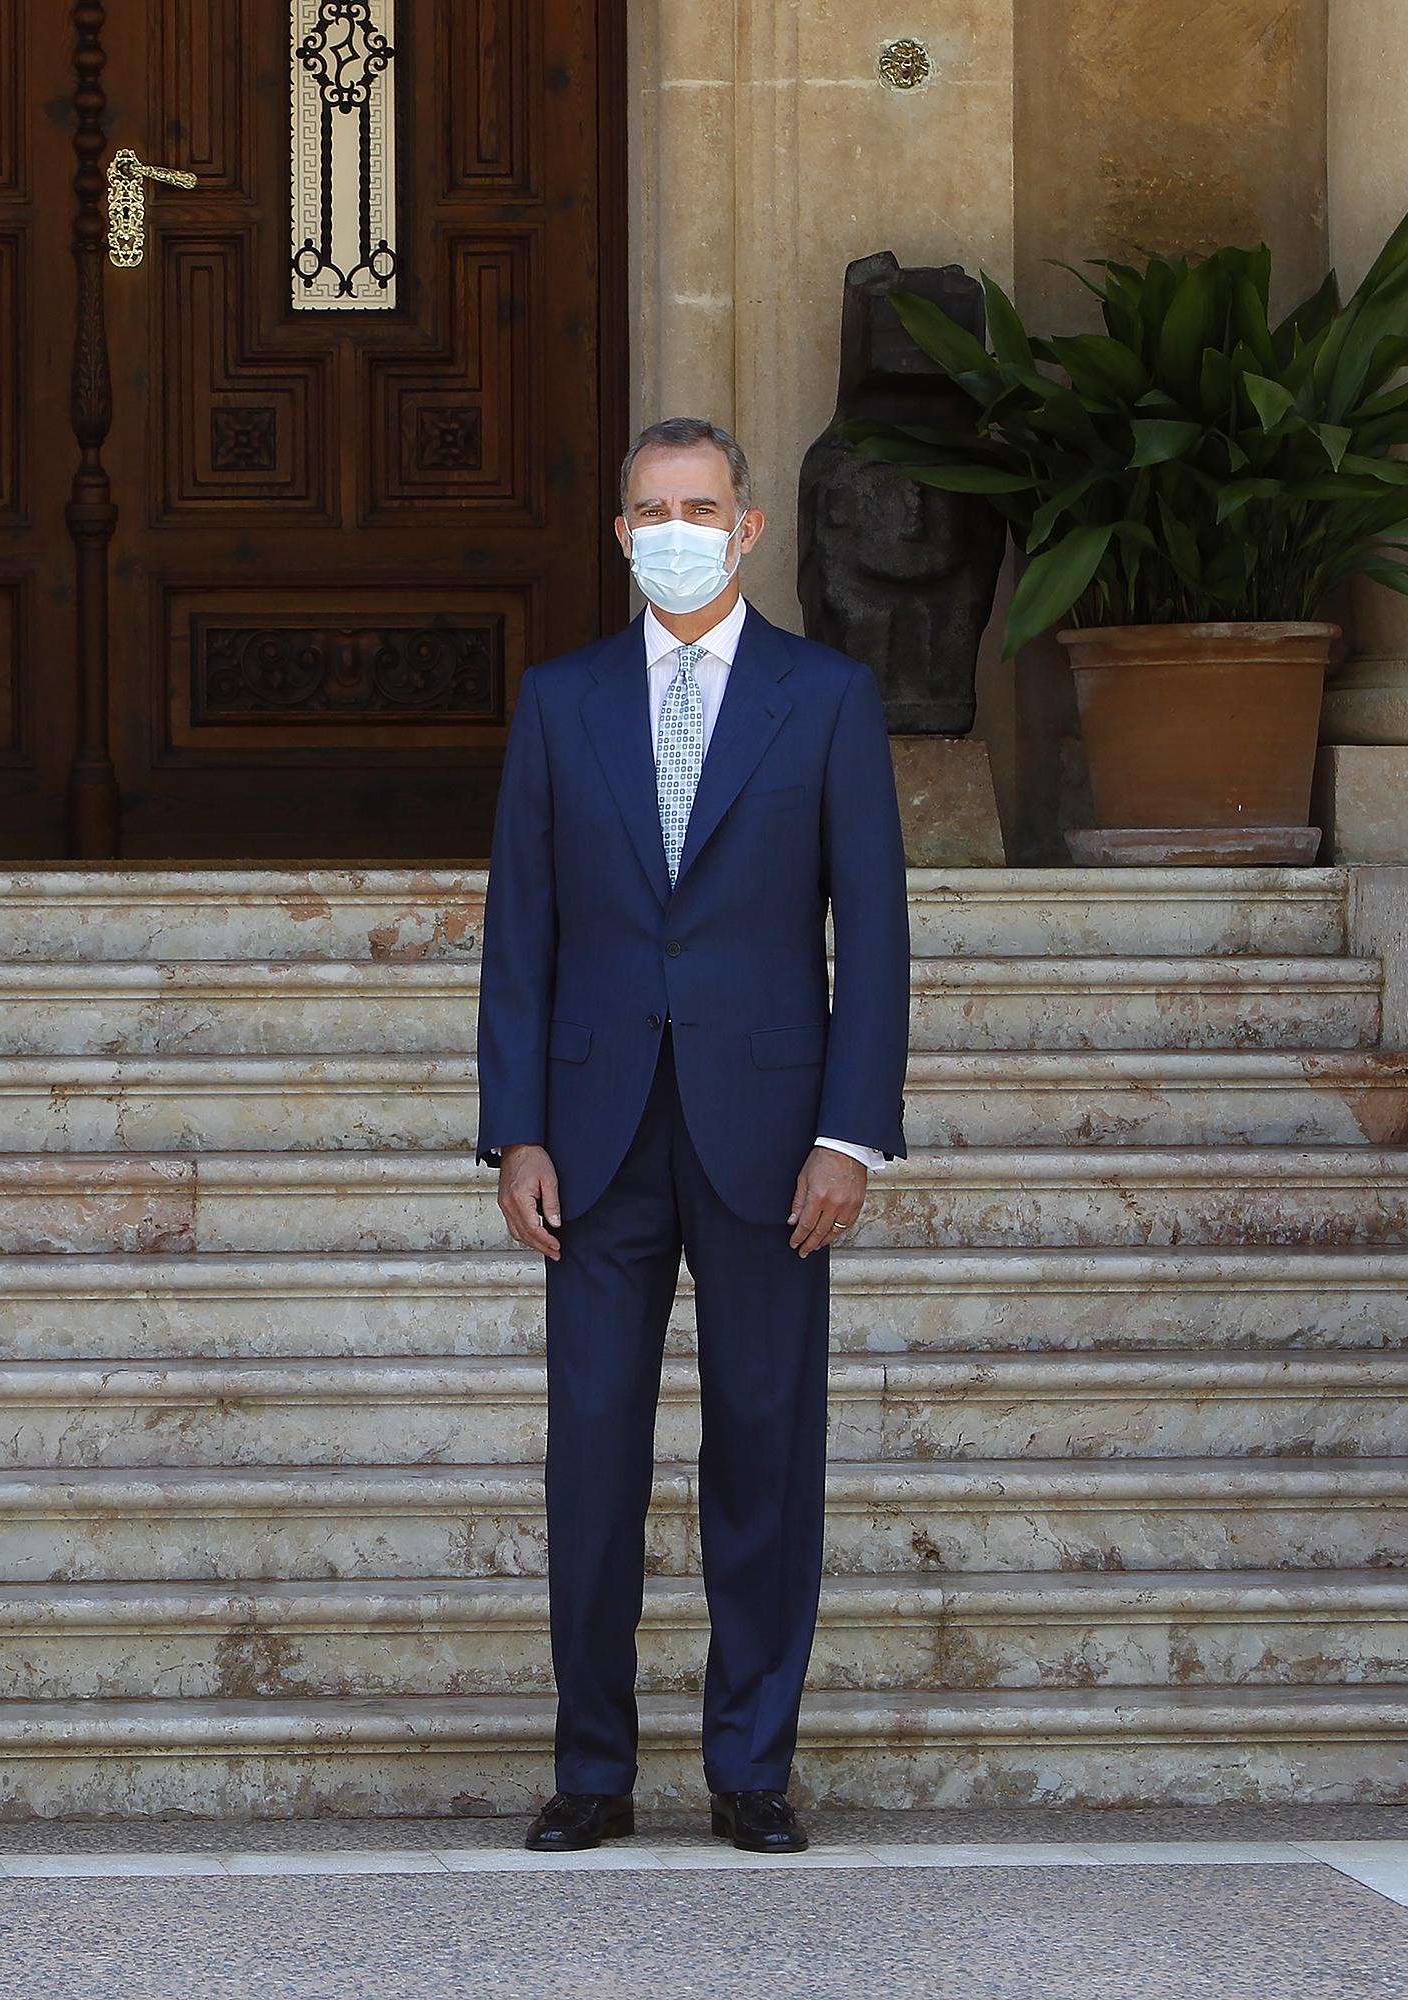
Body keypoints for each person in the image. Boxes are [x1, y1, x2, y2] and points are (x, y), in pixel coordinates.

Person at [475, 416, 911, 1855]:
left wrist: (852, 1135)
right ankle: (591, 1771)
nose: (675, 526)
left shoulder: (829, 698)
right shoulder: (560, 699)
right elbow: (520, 933)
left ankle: (751, 1768)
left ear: (747, 526)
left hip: (772, 1136)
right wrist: (515, 1131)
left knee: (765, 1451)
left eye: (700, 504)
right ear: (620, 532)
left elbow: (879, 938)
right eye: (650, 506)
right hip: (594, 1138)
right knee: (590, 1455)